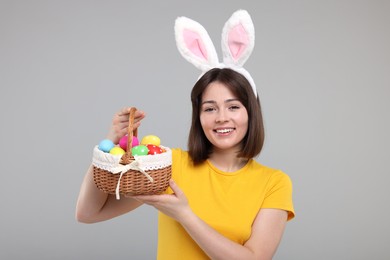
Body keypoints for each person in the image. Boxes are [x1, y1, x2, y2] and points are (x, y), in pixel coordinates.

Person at [76, 10, 294, 260]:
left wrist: (184, 215)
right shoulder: (170, 166)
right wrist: (108, 147)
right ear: (198, 117)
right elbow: (88, 213)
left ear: (251, 113)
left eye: (233, 106)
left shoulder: (274, 183)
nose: (221, 117)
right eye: (210, 108)